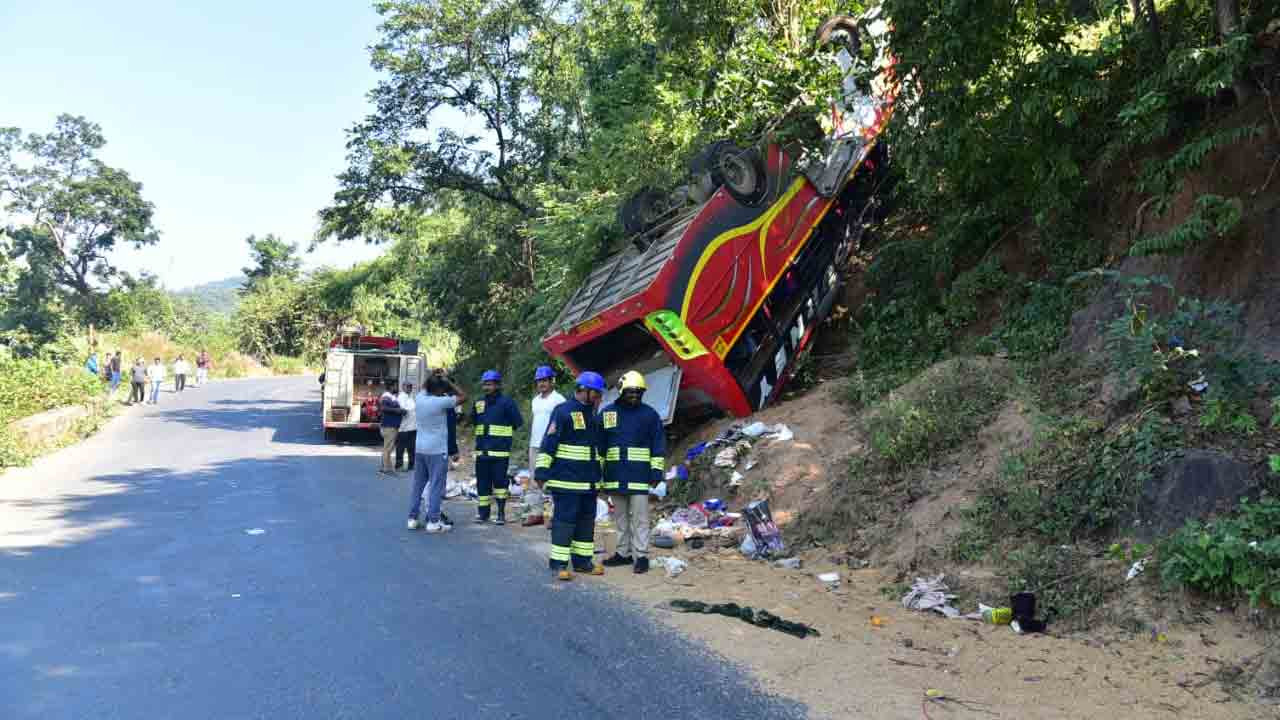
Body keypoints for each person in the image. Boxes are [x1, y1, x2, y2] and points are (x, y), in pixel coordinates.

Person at [536, 371, 607, 581]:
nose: (599, 398)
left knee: (586, 522)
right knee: (565, 522)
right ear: (583, 390)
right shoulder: (563, 411)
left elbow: (597, 451)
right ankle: (558, 564)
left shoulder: (593, 415)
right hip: (565, 480)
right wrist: (541, 471)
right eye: (596, 394)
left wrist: (599, 478)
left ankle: (582, 561)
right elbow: (549, 443)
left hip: (588, 482)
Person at [599, 371, 666, 574]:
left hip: (639, 475)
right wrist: (598, 474)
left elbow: (658, 445)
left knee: (640, 519)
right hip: (614, 474)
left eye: (638, 392)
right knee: (620, 518)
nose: (635, 396)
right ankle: (623, 553)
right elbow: (600, 445)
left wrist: (656, 472)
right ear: (621, 392)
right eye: (631, 392)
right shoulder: (608, 413)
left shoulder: (650, 415)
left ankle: (642, 556)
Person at [409, 370, 465, 532]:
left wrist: (432, 377)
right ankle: (433, 521)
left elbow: (423, 387)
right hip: (437, 450)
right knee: (436, 485)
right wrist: (448, 382)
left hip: (420, 449)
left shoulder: (419, 399)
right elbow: (463, 396)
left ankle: (412, 518)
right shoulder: (441, 402)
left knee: (417, 485)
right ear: (441, 389)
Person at [471, 370, 524, 525]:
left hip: (500, 452)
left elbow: (517, 422)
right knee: (482, 483)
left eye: (490, 384)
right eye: (485, 384)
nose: (487, 387)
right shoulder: (479, 402)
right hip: (482, 451)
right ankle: (483, 514)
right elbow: (474, 420)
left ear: (498, 385)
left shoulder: (507, 402)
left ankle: (501, 514)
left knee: (500, 484)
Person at [523, 365, 565, 527]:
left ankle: (555, 515)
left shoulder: (559, 400)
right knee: (534, 480)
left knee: (553, 481)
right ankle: (536, 513)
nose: (542, 384)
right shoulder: (535, 401)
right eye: (539, 381)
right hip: (534, 445)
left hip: (551, 445)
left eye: (545, 380)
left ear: (552, 381)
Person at [378, 380, 403, 475]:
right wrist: (397, 410)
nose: (396, 387)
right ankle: (385, 468)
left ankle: (388, 467)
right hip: (389, 426)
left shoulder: (391, 396)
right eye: (395, 385)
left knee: (389, 447)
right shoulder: (386, 396)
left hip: (392, 425)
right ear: (391, 386)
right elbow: (383, 408)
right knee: (387, 448)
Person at [395, 381, 417, 472]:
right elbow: (402, 409)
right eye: (408, 386)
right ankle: (399, 465)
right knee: (401, 447)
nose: (410, 388)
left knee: (412, 447)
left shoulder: (410, 397)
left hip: (413, 427)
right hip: (404, 427)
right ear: (403, 387)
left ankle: (411, 465)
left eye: (411, 387)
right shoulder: (401, 397)